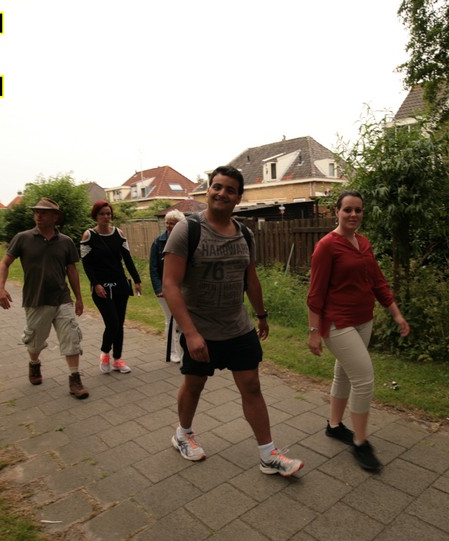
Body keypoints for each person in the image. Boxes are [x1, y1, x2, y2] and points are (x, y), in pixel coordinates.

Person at [162, 165, 304, 477]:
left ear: (238, 197)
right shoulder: (188, 230)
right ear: (208, 190)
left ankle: (268, 455)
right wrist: (191, 333)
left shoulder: (245, 234)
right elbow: (170, 284)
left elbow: (250, 279)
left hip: (238, 326)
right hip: (200, 328)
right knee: (194, 384)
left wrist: (261, 315)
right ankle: (183, 434)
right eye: (217, 186)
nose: (222, 193)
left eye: (230, 190)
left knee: (252, 385)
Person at [306, 191, 410, 472]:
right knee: (364, 380)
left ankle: (334, 425)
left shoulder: (363, 243)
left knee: (344, 373)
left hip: (364, 319)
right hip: (337, 323)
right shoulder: (327, 246)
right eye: (348, 210)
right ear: (336, 212)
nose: (354, 215)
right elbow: (315, 294)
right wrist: (314, 331)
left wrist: (396, 313)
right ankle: (360, 443)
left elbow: (377, 281)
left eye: (358, 210)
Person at [0, 198, 88, 399]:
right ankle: (34, 363)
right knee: (35, 342)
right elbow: (4, 263)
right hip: (36, 299)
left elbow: (72, 270)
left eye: (43, 212)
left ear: (55, 217)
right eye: (36, 211)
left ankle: (75, 378)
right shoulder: (22, 238)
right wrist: (0, 287)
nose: (38, 215)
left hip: (62, 299)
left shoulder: (65, 241)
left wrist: (79, 298)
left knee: (71, 337)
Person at [80, 200, 143, 374]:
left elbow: (127, 259)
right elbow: (87, 265)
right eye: (102, 214)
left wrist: (137, 280)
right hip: (101, 288)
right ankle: (105, 353)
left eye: (108, 214)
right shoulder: (89, 236)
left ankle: (118, 360)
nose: (106, 217)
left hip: (120, 284)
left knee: (119, 323)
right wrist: (96, 284)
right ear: (96, 216)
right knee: (112, 322)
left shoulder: (119, 234)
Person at [149, 209, 185, 363]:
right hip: (164, 289)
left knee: (183, 320)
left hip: (183, 288)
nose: (169, 226)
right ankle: (172, 352)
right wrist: (158, 289)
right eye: (167, 223)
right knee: (170, 320)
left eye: (173, 223)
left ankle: (184, 352)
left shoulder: (185, 241)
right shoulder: (158, 242)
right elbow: (153, 268)